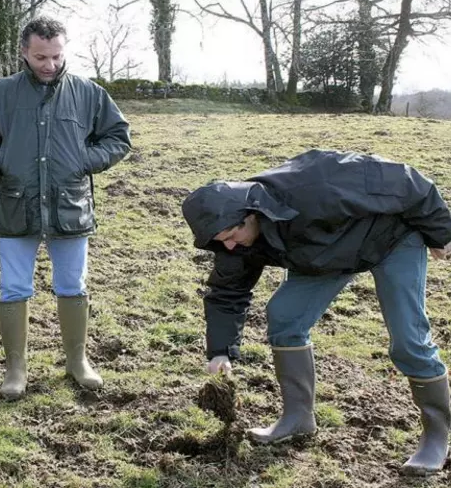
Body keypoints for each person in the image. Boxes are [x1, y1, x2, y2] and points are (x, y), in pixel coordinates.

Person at [182, 149, 451, 475]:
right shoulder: (233, 240)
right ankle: (298, 419)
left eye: (232, 235)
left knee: (409, 341)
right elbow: (226, 293)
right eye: (220, 240)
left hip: (390, 240)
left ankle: (437, 437)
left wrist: (440, 232)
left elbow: (407, 182)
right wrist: (220, 352)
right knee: (285, 315)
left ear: (251, 213)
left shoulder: (316, 185)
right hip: (326, 256)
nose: (229, 245)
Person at [0, 16, 131, 400]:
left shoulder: (89, 93)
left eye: (56, 56)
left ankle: (77, 361)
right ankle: (15, 368)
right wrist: (1, 161)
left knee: (73, 284)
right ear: (24, 51)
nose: (49, 65)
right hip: (15, 205)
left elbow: (119, 137)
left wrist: (85, 161)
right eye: (40, 56)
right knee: (13, 287)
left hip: (69, 205)